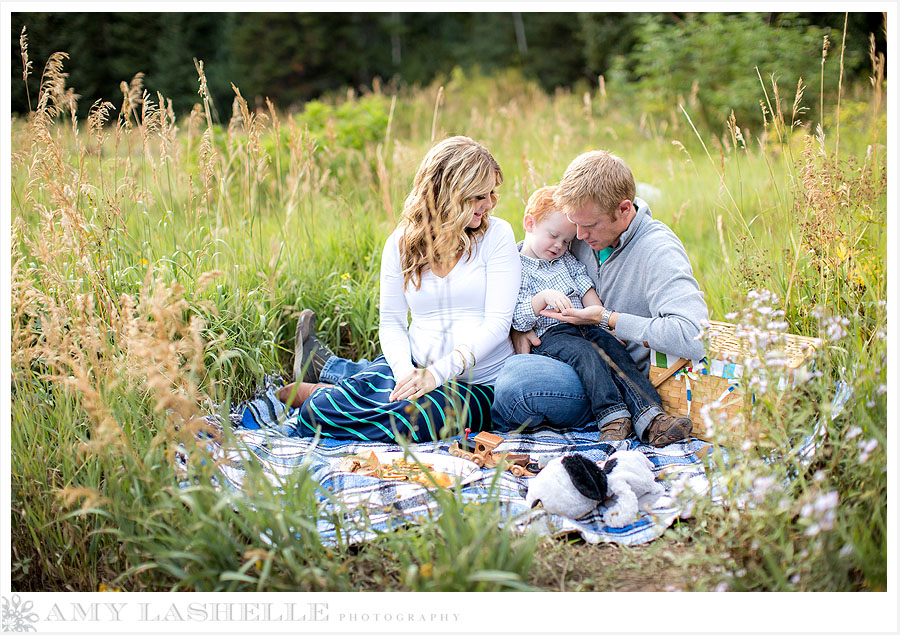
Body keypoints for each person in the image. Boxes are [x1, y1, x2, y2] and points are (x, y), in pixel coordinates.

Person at [276, 136, 521, 443]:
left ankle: (335, 386)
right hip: (414, 368)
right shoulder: (400, 243)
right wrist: (406, 373)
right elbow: (391, 322)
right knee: (316, 415)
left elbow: (497, 325)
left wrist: (436, 375)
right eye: (477, 197)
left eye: (491, 194)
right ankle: (331, 393)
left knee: (415, 423)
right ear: (448, 195)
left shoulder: (497, 235)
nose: (489, 205)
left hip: (477, 383)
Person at [492, 150, 708, 446]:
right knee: (513, 376)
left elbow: (693, 336)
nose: (577, 237)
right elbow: (532, 255)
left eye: (589, 226)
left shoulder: (659, 250)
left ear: (623, 210)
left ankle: (635, 416)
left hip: (627, 371)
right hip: (568, 353)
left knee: (517, 385)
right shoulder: (578, 233)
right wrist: (520, 324)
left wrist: (609, 319)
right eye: (573, 225)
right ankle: (614, 417)